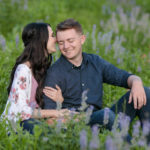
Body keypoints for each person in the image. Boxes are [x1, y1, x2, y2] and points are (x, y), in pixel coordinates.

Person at [43, 19, 150, 132]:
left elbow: (123, 77)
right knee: (105, 115)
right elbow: (50, 120)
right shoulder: (54, 73)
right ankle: (129, 145)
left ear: (82, 39)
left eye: (70, 40)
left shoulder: (95, 62)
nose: (66, 46)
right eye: (61, 42)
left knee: (146, 93)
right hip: (78, 127)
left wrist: (137, 82)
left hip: (104, 120)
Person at [2, 22, 70, 134]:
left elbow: (42, 106)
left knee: (71, 122)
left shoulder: (41, 70)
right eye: (52, 35)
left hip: (35, 123)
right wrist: (55, 113)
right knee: (50, 132)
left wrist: (59, 102)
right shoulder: (23, 70)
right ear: (41, 39)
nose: (56, 40)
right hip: (16, 127)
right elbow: (21, 111)